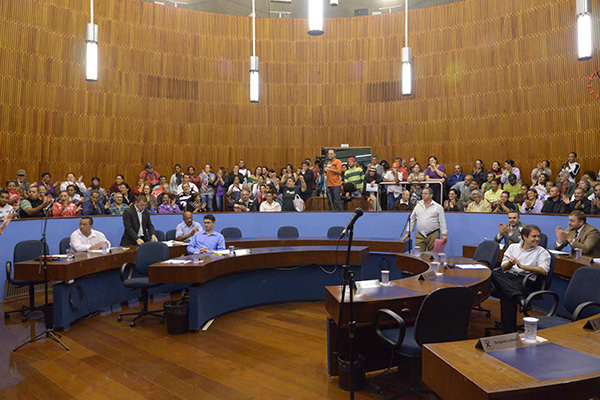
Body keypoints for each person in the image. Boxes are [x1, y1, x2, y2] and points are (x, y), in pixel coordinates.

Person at [491, 225, 550, 333]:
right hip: (509, 276)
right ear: (525, 237)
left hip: (525, 280)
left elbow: (543, 270)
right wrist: (510, 263)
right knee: (494, 272)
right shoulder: (513, 248)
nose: (537, 239)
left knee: (507, 295)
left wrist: (522, 266)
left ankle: (509, 333)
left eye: (538, 236)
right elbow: (503, 268)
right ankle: (519, 298)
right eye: (534, 236)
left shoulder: (542, 252)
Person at [400, 187, 447, 252]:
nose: (423, 195)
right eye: (422, 193)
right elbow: (412, 218)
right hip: (420, 234)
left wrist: (444, 234)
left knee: (433, 256)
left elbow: (442, 221)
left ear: (431, 195)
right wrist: (408, 232)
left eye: (425, 193)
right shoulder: (418, 205)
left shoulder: (438, 207)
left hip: (433, 233)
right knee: (418, 256)